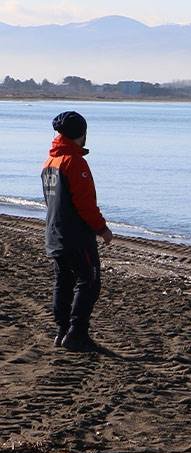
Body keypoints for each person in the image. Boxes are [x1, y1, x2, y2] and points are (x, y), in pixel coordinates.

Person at [42, 111, 112, 352]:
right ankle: (76, 333)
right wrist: (102, 229)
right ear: (80, 134)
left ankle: (62, 331)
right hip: (75, 236)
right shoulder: (74, 162)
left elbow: (50, 201)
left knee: (64, 280)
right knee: (89, 281)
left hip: (55, 233)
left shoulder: (50, 162)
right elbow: (85, 203)